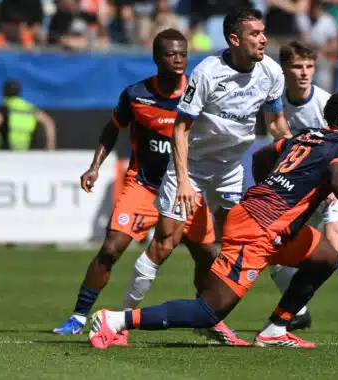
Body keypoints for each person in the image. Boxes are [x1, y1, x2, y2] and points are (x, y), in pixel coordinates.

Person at [88, 90, 338, 349]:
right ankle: (116, 320)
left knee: (326, 256)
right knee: (208, 311)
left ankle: (275, 330)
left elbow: (262, 156)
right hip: (259, 229)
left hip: (267, 221)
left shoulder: (309, 138)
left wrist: (270, 189)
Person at [118, 7, 292, 346]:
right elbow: (181, 128)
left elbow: (275, 124)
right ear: (234, 39)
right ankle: (120, 321)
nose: (264, 39)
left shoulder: (271, 71)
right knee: (165, 243)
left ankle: (212, 319)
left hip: (230, 169)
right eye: (255, 33)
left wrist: (289, 158)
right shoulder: (208, 73)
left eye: (263, 32)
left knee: (236, 245)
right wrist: (183, 180)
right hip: (192, 167)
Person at [51, 29, 216, 342]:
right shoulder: (136, 95)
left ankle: (205, 317)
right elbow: (112, 129)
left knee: (207, 254)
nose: (179, 59)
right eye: (171, 53)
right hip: (145, 186)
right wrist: (95, 166)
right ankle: (78, 315)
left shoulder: (198, 93)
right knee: (111, 249)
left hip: (184, 187)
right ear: (156, 58)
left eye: (183, 53)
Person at [270, 40, 338, 334]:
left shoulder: (326, 105)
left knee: (337, 240)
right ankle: (298, 312)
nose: (304, 73)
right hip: (302, 192)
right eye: (297, 66)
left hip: (333, 188)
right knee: (274, 251)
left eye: (309, 66)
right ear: (284, 69)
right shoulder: (275, 103)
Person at [0, 80, 57, 151]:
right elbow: (49, 123)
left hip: (5, 153)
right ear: (19, 92)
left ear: (3, 93)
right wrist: (50, 146)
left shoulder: (4, 109)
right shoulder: (30, 109)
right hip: (26, 152)